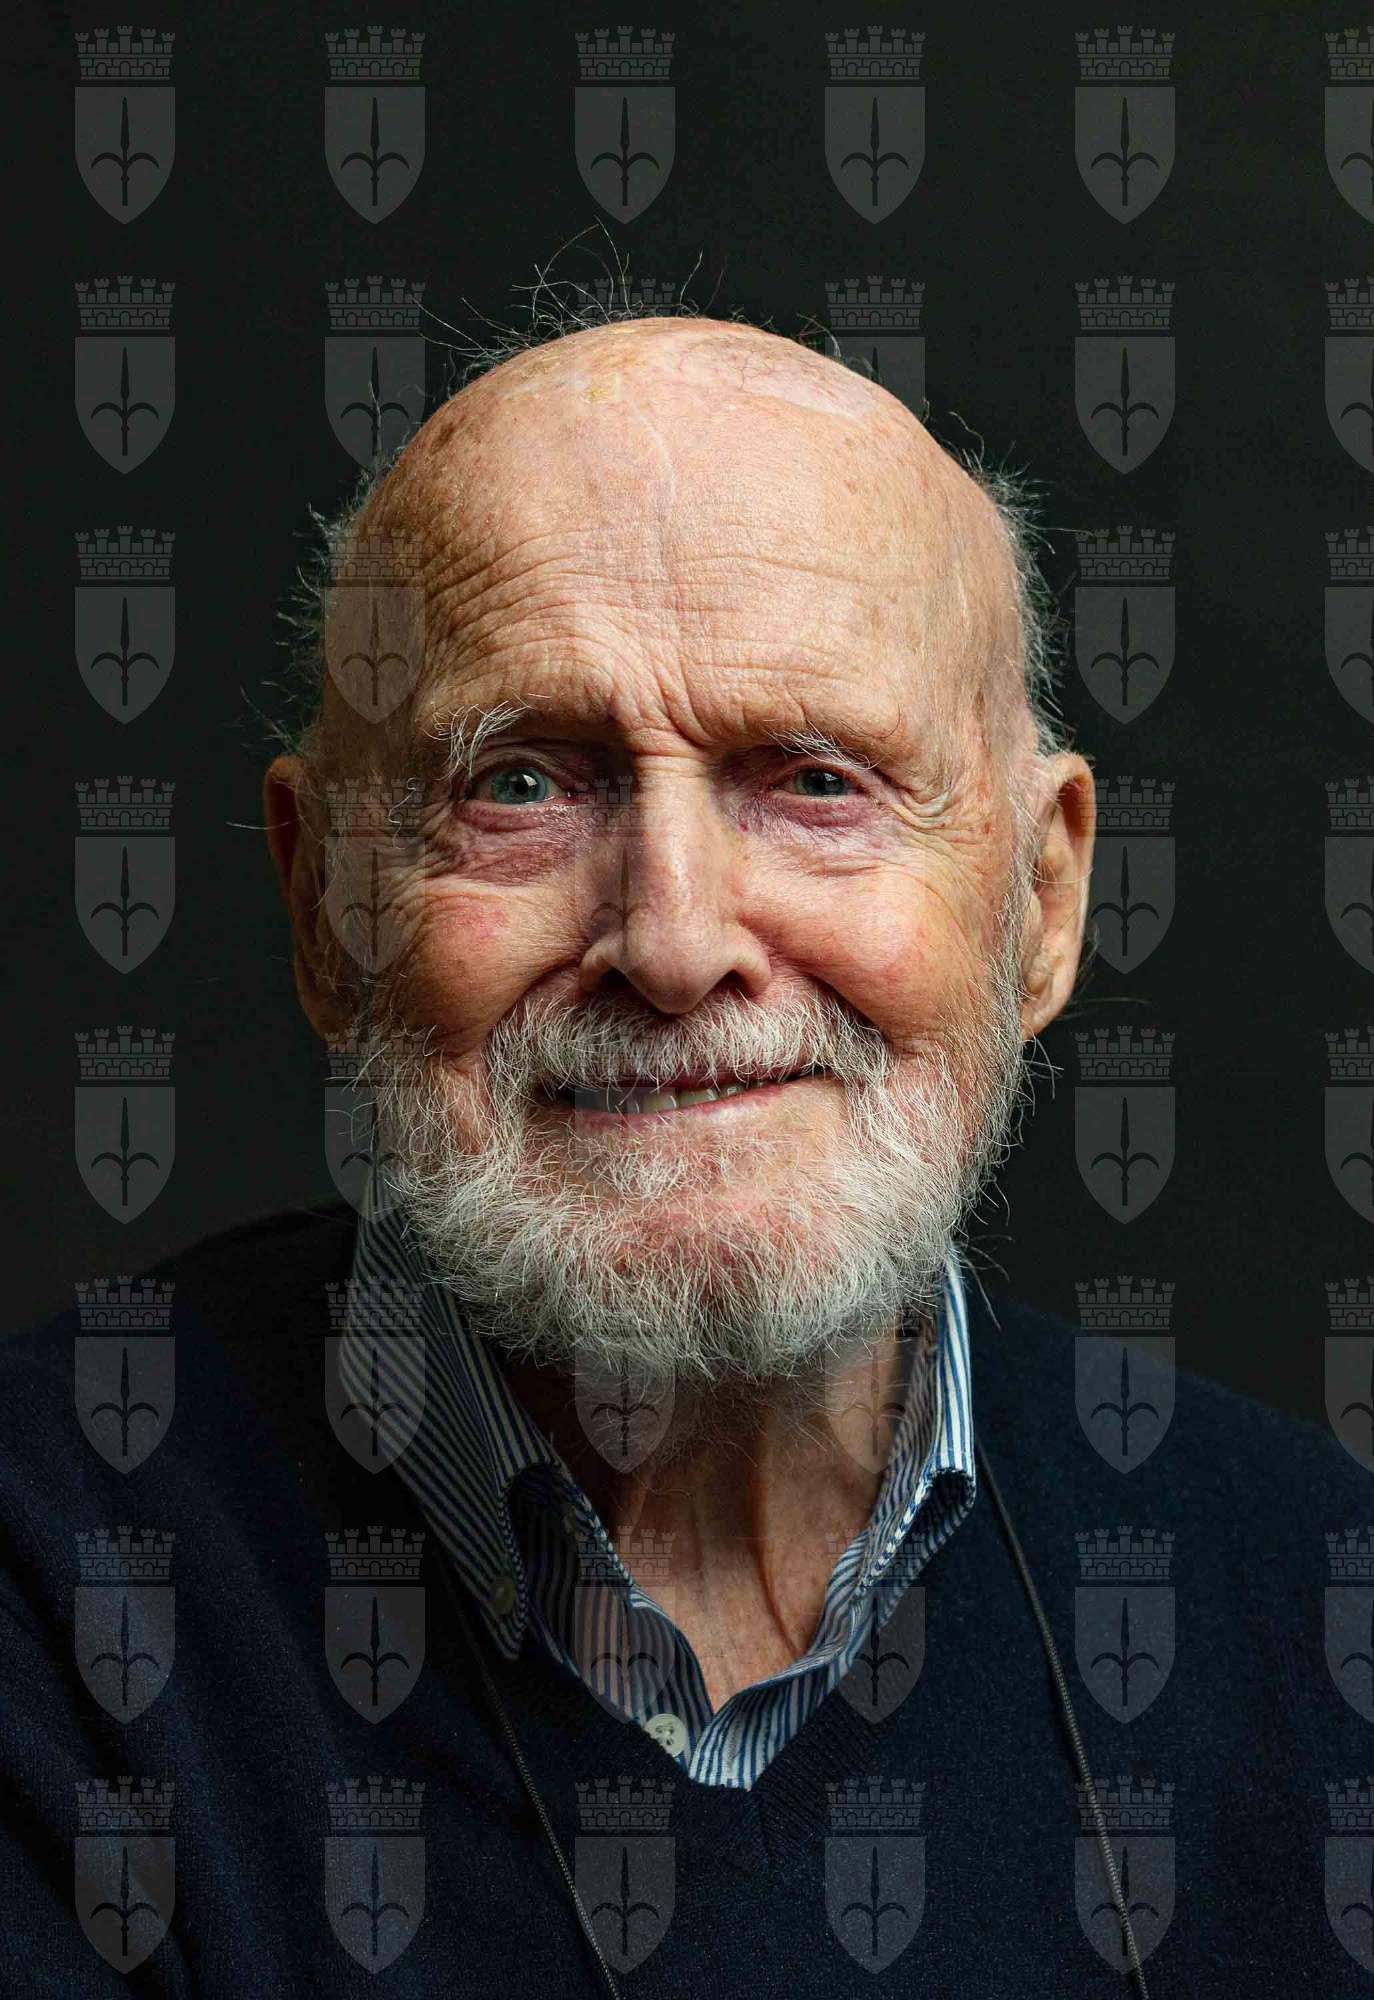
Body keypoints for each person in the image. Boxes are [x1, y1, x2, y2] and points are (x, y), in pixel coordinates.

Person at [3, 303, 1363, 1994]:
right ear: (323, 905)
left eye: (816, 781)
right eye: (519, 784)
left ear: (1041, 901)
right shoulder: (50, 1600)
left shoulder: (1312, 1594)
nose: (672, 941)